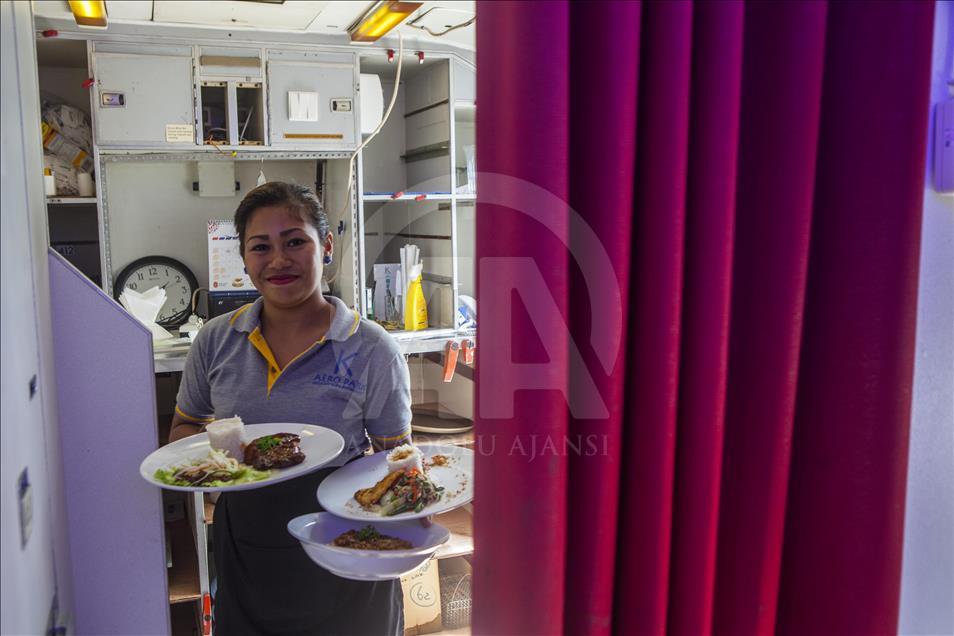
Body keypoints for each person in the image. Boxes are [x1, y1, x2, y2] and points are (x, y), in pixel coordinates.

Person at [169, 182, 412, 635]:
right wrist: (221, 457)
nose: (278, 260)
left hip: (346, 543)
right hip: (247, 543)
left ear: (326, 246)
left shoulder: (371, 348)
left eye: (295, 241)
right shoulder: (216, 340)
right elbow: (184, 428)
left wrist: (413, 522)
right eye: (261, 247)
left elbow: (397, 459)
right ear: (243, 258)